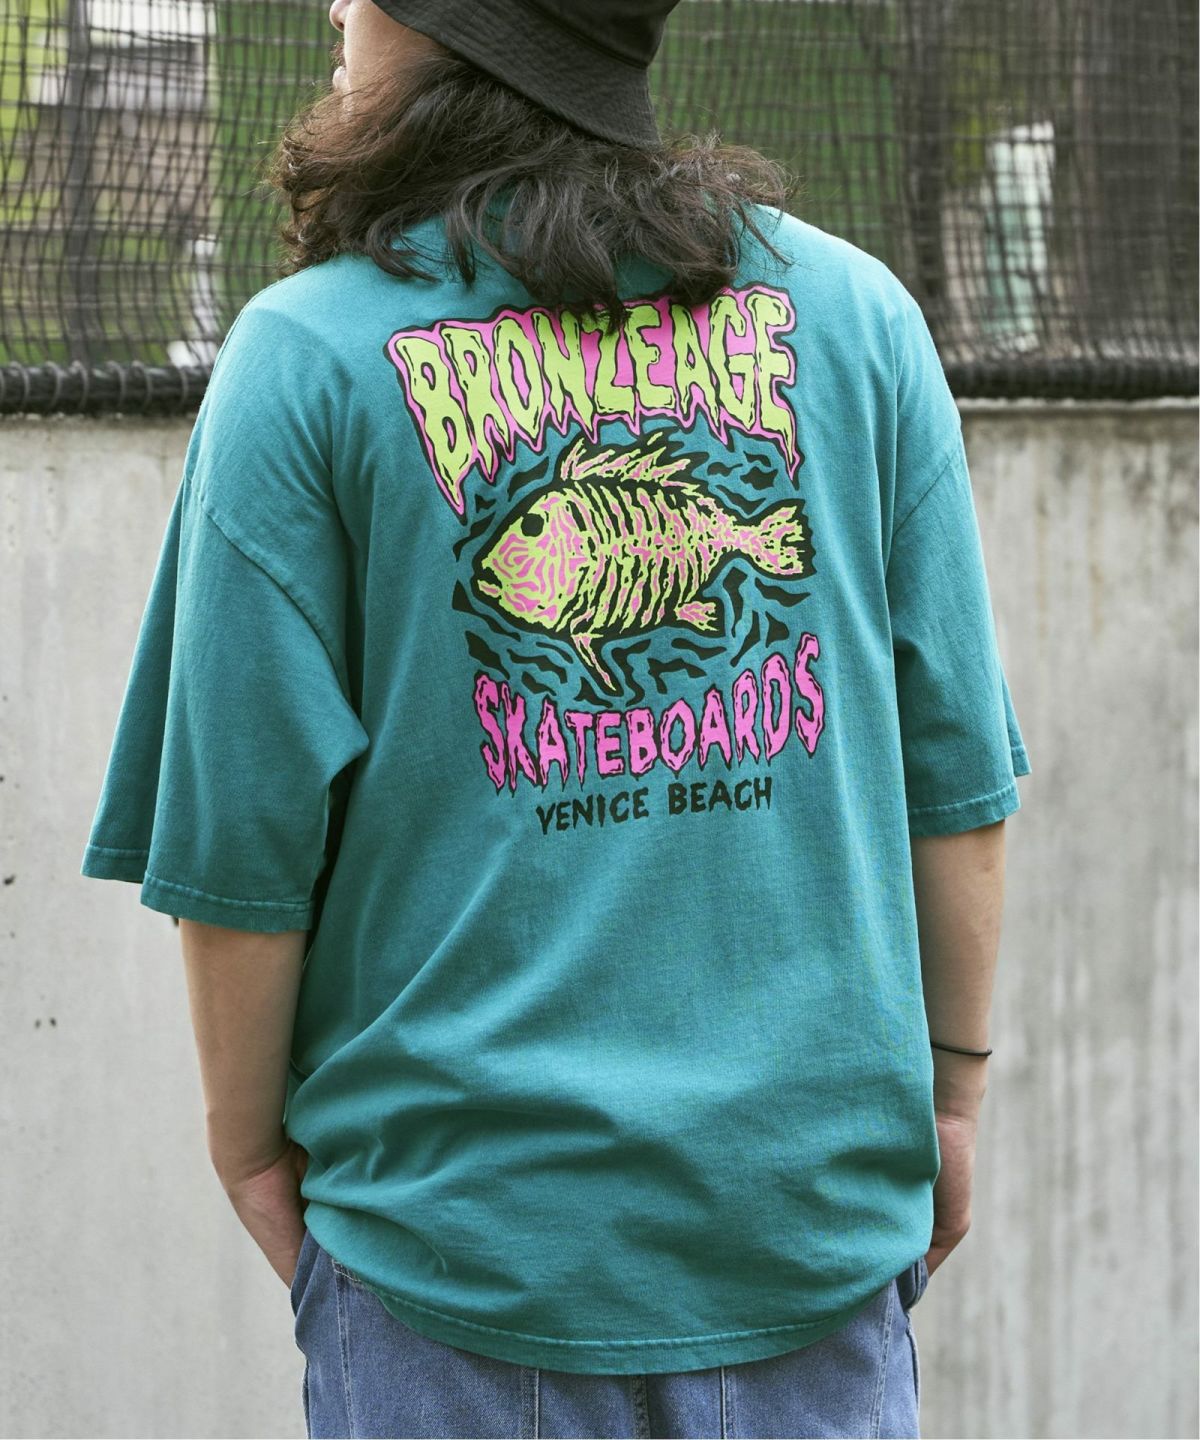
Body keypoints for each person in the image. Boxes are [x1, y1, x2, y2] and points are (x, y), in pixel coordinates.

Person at [79, 0, 1031, 1435]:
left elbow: (242, 848)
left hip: (456, 1258)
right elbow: (955, 783)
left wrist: (249, 1154)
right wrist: (950, 1094)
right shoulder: (858, 319)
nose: (335, 8)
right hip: (810, 1235)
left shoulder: (306, 359)